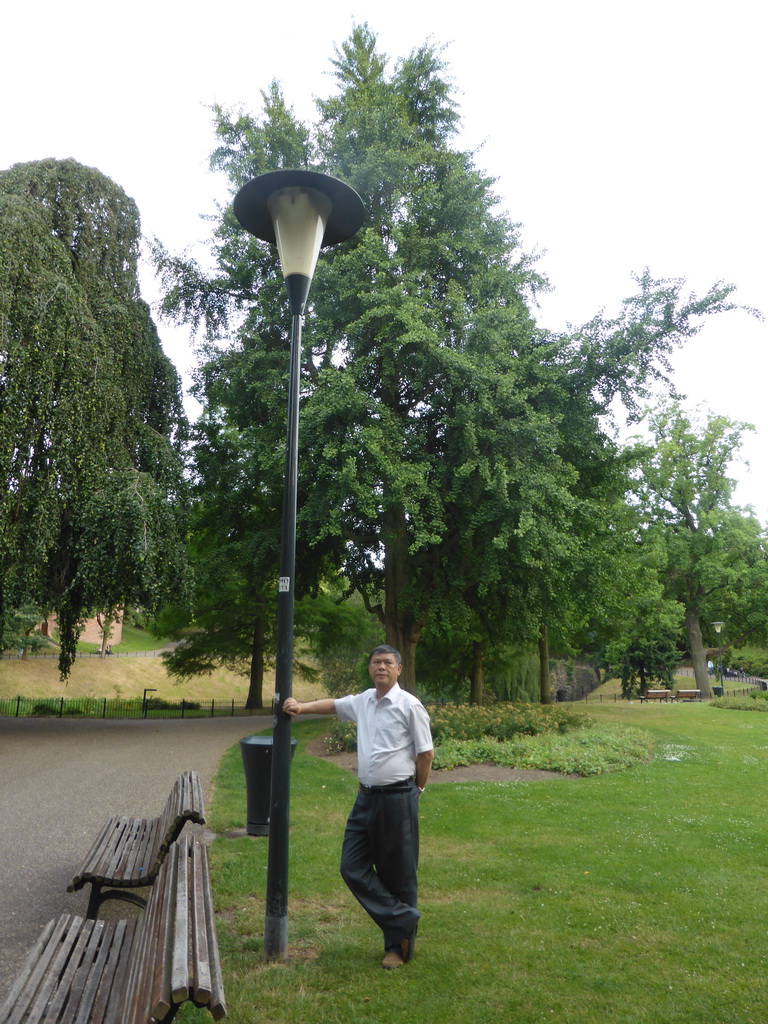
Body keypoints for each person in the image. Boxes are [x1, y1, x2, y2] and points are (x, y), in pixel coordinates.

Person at [283, 644, 434, 969]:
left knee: (399, 874)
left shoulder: (410, 706)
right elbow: (332, 705)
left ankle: (397, 948)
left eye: (387, 663)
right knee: (351, 867)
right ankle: (404, 918)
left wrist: (417, 789)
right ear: (370, 668)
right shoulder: (363, 701)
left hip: (397, 798)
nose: (381, 667)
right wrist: (300, 707)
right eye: (376, 662)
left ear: (399, 669)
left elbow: (425, 754)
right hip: (365, 798)